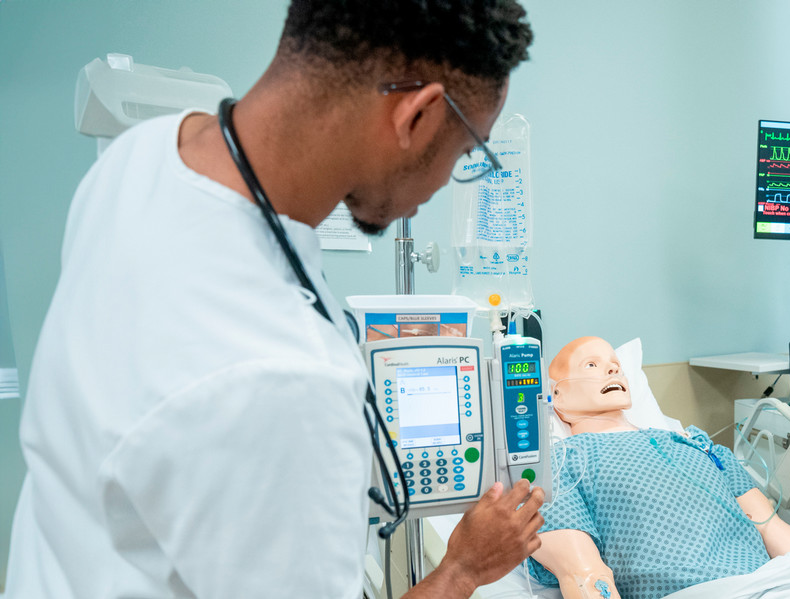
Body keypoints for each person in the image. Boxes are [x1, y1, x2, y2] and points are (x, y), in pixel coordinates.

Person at [5, 2, 542, 597]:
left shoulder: (144, 155)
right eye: (466, 154)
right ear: (416, 116)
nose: (446, 181)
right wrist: (460, 571)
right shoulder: (285, 384)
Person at [527, 336, 790, 599]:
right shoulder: (559, 465)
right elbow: (583, 574)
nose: (610, 368)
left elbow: (773, 529)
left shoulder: (696, 444)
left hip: (779, 584)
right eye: (591, 365)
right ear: (555, 396)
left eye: (614, 364)